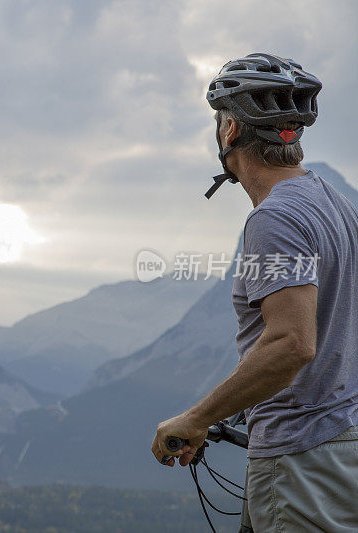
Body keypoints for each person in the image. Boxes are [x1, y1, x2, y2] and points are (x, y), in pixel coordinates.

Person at [151, 53, 358, 531]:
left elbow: (292, 344)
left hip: (301, 461)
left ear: (229, 131)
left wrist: (196, 418)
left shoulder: (275, 219)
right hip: (341, 444)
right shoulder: (336, 204)